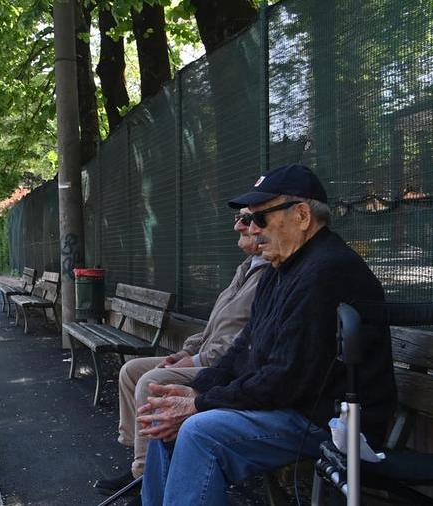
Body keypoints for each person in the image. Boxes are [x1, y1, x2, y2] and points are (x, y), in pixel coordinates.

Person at [135, 164, 397, 506]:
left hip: (328, 423)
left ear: (302, 215)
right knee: (167, 414)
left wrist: (199, 403)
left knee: (200, 432)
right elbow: (244, 348)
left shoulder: (329, 272)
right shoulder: (281, 268)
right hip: (293, 408)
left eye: (261, 219)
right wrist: (197, 388)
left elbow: (285, 380)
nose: (253, 230)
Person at [93, 209, 269, 501]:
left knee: (152, 381)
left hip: (223, 365)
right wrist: (186, 352)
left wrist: (197, 360)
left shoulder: (272, 273)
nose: (238, 225)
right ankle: (141, 465)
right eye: (238, 217)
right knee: (131, 371)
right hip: (205, 358)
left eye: (246, 219)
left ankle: (145, 476)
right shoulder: (247, 267)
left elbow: (244, 341)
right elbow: (215, 324)